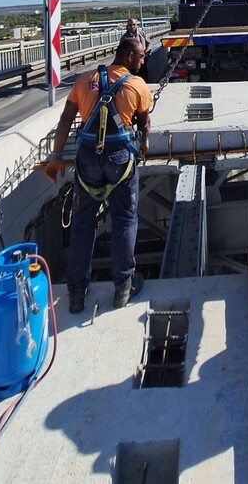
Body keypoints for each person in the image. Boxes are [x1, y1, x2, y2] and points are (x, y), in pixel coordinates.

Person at [45, 38, 153, 313]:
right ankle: (122, 288)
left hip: (88, 161)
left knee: (83, 223)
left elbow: (66, 119)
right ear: (129, 56)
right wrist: (144, 144)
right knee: (124, 219)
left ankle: (77, 292)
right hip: (120, 162)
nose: (142, 62)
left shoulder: (84, 80)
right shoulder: (137, 85)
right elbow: (144, 123)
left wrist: (57, 157)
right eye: (141, 57)